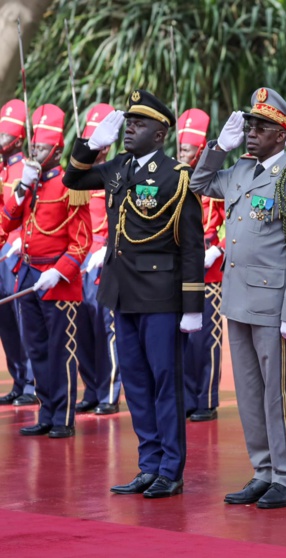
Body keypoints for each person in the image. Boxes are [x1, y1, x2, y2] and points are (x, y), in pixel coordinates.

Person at [63, 90, 205, 498]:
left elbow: (192, 246)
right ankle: (149, 463)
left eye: (140, 125)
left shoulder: (177, 177)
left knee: (165, 383)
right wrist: (91, 144)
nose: (130, 130)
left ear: (160, 134)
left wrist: (192, 306)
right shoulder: (118, 167)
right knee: (137, 384)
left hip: (161, 296)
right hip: (121, 292)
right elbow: (73, 178)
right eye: (129, 123)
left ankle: (170, 469)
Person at [190, 87, 286, 509]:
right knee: (247, 390)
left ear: (281, 135)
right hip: (237, 299)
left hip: (273, 305)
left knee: (277, 393)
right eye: (250, 126)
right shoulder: (241, 170)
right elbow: (200, 183)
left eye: (261, 127)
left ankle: (285, 474)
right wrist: (217, 148)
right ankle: (262, 469)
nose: (251, 133)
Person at [1, 103, 92, 438]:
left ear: (56, 149)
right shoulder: (30, 182)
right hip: (27, 274)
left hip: (57, 280)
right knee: (36, 348)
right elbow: (8, 221)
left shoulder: (71, 184)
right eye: (34, 145)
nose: (35, 151)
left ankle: (63, 417)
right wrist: (22, 188)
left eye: (41, 147)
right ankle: (46, 411)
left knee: (61, 349)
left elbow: (82, 241)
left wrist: (62, 270)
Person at [75, 103, 122, 416]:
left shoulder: (116, 172)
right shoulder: (80, 176)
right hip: (79, 260)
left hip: (105, 259)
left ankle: (108, 392)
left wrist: (104, 249)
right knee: (81, 330)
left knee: (107, 329)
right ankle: (91, 389)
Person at [177, 107, 224, 422]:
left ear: (201, 149)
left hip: (209, 267)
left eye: (188, 149)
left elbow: (229, 221)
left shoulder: (214, 181)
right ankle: (185, 397)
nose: (182, 152)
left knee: (206, 337)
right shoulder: (174, 177)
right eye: (180, 147)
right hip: (181, 265)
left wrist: (218, 249)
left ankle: (205, 399)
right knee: (181, 335)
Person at [0, 99, 36, 407]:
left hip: (15, 251)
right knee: (6, 323)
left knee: (23, 318)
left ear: (18, 140)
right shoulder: (2, 169)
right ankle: (17, 379)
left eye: (5, 137)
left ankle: (32, 384)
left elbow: (28, 213)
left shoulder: (26, 170)